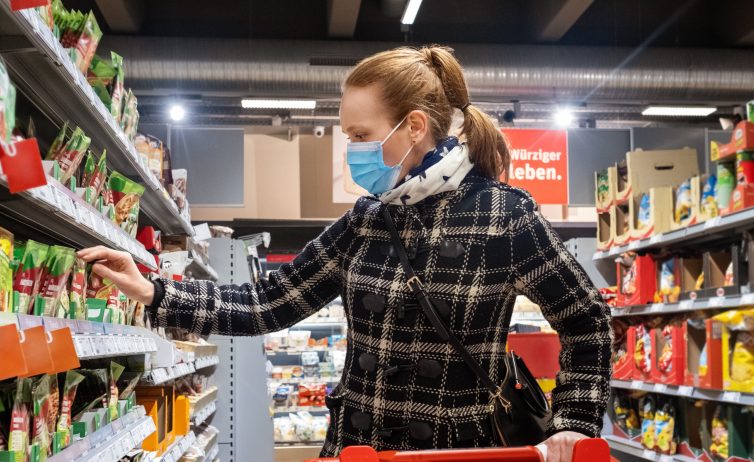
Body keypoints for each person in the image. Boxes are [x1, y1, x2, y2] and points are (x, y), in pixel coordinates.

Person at [78, 45, 612, 462]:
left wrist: (574, 422)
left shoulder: (504, 215)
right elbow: (267, 302)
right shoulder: (365, 221)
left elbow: (587, 319)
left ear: (414, 127)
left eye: (360, 134)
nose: (351, 150)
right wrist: (155, 291)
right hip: (358, 450)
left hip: (460, 453)